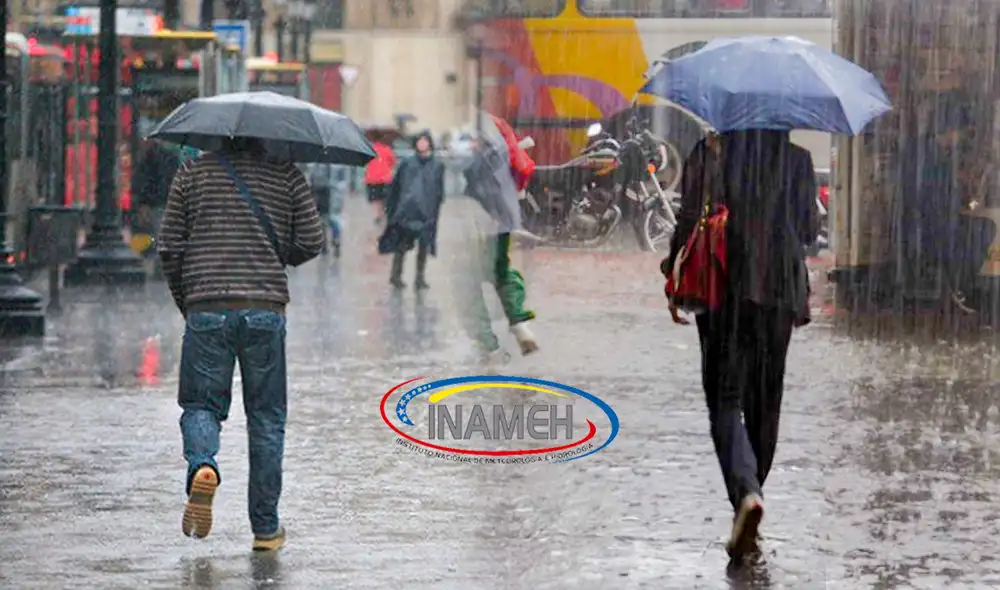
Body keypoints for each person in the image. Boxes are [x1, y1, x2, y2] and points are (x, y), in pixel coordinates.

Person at [157, 137, 324, 552]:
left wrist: (189, 299)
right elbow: (311, 241)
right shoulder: (286, 174)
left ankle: (203, 466)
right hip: (265, 306)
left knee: (200, 405)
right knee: (266, 418)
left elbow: (169, 246)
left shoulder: (192, 173)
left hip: (207, 305)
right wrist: (272, 250)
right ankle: (266, 529)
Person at [661, 130, 818, 563]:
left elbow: (689, 217)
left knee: (726, 399)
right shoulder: (798, 160)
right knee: (766, 403)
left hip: (723, 282)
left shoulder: (710, 151)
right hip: (780, 288)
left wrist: (671, 268)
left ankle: (746, 494)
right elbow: (809, 227)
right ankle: (750, 500)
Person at [459, 136, 539, 366]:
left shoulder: (468, 155)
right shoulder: (498, 140)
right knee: (503, 274)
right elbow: (522, 169)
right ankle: (519, 323)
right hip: (500, 222)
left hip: (473, 224)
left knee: (467, 287)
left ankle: (488, 346)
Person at [378, 131, 445, 290]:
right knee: (401, 246)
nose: (422, 144)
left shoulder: (437, 165)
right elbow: (396, 186)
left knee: (423, 246)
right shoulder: (407, 163)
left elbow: (439, 190)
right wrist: (394, 208)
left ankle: (420, 278)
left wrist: (435, 207)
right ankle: (396, 276)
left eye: (425, 141)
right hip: (407, 212)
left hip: (426, 213)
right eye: (419, 141)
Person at [303, 162, 347, 257]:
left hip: (322, 194)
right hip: (332, 194)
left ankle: (326, 244)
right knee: (333, 219)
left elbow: (311, 180)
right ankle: (334, 241)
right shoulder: (338, 163)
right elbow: (342, 181)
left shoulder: (315, 163)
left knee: (323, 219)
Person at [365, 133, 396, 224]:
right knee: (384, 198)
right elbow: (392, 162)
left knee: (375, 199)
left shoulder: (369, 149)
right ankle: (383, 213)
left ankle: (378, 214)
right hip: (385, 178)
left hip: (372, 178)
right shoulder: (387, 149)